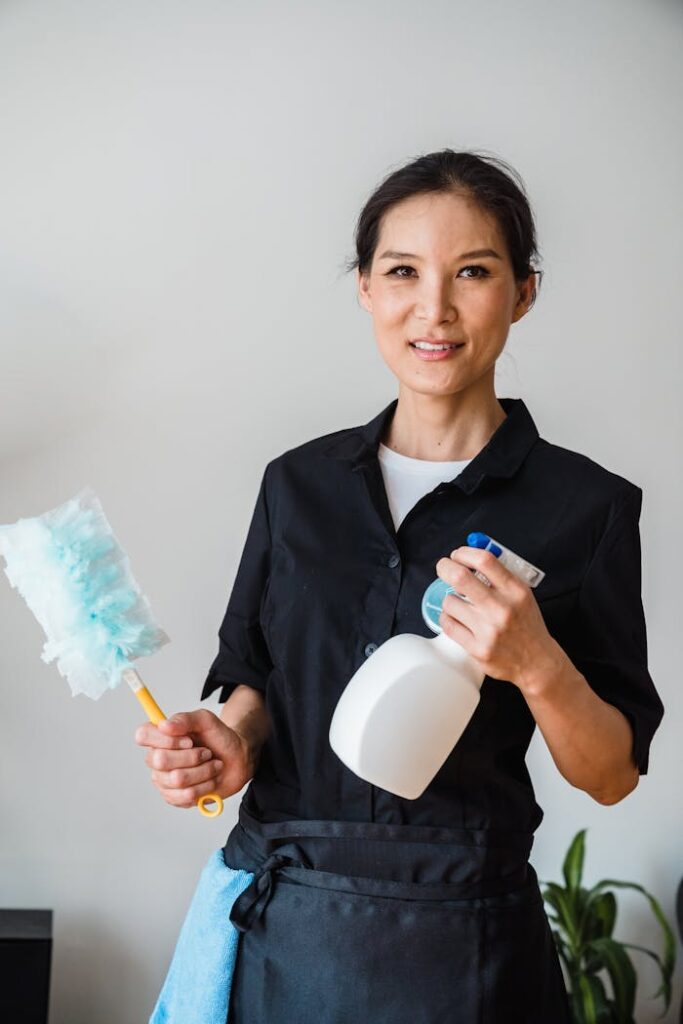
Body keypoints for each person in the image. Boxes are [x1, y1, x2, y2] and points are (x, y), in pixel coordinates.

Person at [135, 149, 664, 1022]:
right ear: (366, 291)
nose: (435, 309)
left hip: (466, 948)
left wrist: (536, 664)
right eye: (403, 272)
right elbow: (256, 676)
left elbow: (609, 775)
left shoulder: (586, 509)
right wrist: (227, 741)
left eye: (474, 273)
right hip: (284, 930)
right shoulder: (295, 484)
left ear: (523, 293)